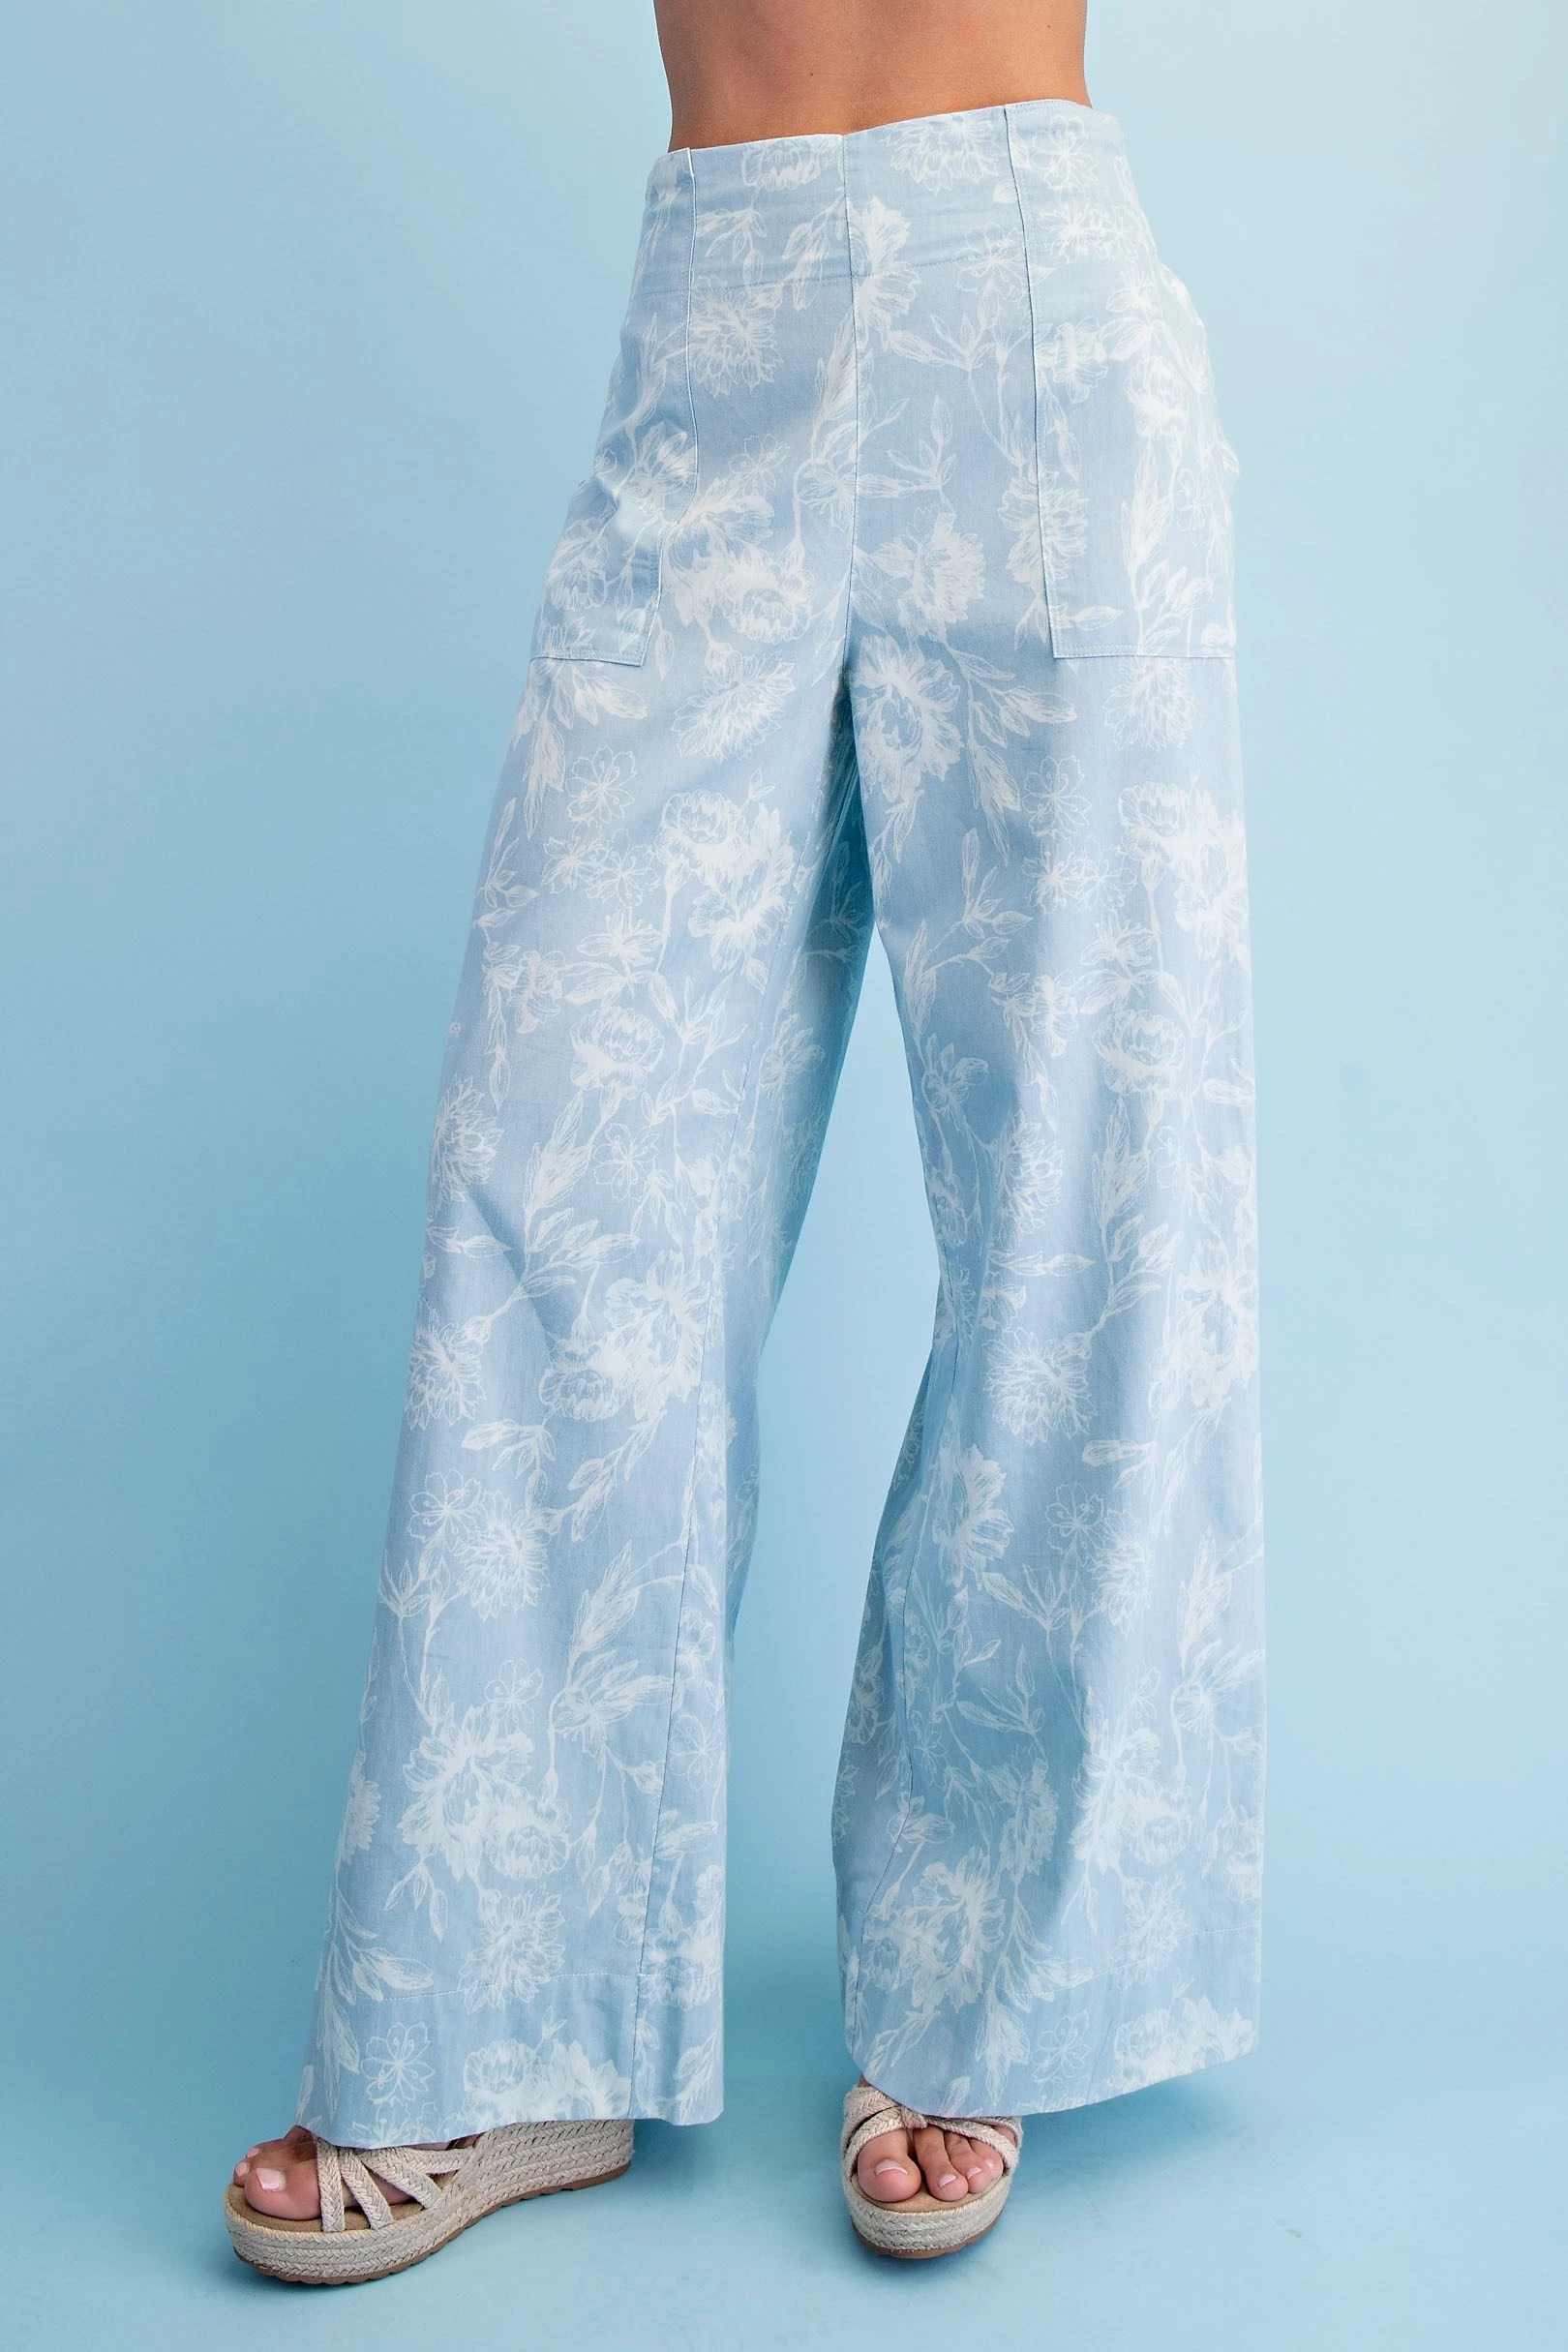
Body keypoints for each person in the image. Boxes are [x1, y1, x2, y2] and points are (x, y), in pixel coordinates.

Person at [225, 0, 1265, 2281]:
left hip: (1033, 302)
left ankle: (983, 1980)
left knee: (1081, 1203)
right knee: (555, 1181)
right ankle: (509, 2001)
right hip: (722, 298)